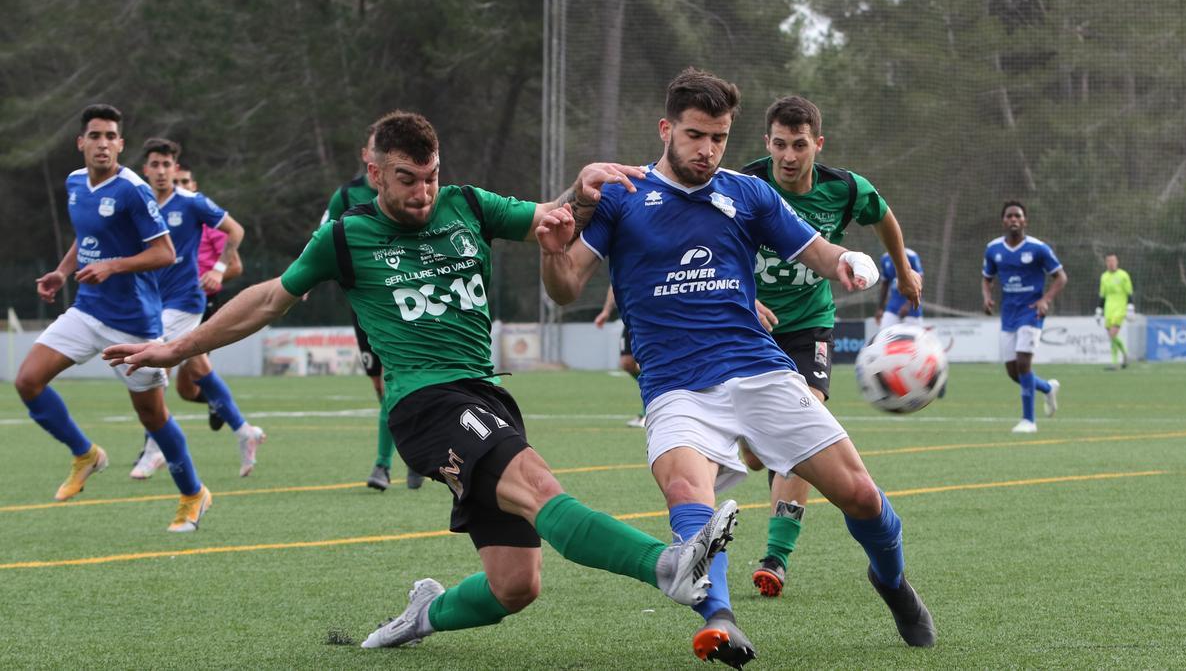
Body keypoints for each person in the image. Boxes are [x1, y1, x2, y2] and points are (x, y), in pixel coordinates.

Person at [103, 110, 737, 654]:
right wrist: (176, 348)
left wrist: (579, 189)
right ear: (374, 172)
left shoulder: (468, 204)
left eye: (430, 177)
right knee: (540, 485)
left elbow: (548, 216)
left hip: (485, 396)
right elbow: (269, 299)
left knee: (516, 585)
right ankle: (667, 565)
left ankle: (420, 617)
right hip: (423, 403)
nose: (422, 192)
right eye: (406, 179)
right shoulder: (346, 235)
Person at [538, 69, 937, 666]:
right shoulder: (622, 195)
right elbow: (565, 287)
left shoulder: (747, 193)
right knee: (685, 492)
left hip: (759, 369)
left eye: (720, 137)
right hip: (675, 386)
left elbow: (818, 251)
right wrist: (552, 250)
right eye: (696, 135)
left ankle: (893, 582)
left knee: (860, 495)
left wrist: (850, 260)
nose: (708, 150)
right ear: (666, 129)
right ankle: (720, 617)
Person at [739, 95, 924, 599]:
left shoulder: (843, 189)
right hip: (751, 325)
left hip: (808, 325)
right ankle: (750, 443)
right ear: (767, 143)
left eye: (800, 145)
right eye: (780, 144)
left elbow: (884, 217)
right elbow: (716, 246)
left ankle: (776, 557)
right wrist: (744, 298)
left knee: (804, 421)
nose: (789, 156)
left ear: (818, 144)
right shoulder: (744, 186)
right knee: (757, 456)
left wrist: (903, 273)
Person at [13, 104, 210, 532]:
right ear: (81, 142)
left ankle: (193, 494)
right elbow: (86, 238)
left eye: (111, 137)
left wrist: (113, 265)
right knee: (27, 381)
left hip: (134, 324)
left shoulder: (132, 190)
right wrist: (62, 272)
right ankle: (86, 454)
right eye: (95, 136)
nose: (103, 144)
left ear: (120, 144)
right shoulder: (74, 183)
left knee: (152, 417)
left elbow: (165, 253)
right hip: (87, 310)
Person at [129, 139, 265, 479]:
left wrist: (219, 269)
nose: (161, 171)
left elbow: (236, 230)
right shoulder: (138, 202)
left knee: (151, 361)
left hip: (185, 301)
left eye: (167, 165)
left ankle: (154, 446)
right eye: (155, 165)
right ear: (146, 169)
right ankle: (244, 431)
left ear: (175, 169)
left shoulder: (191, 203)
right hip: (152, 301)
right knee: (198, 369)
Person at [319, 124, 422, 492]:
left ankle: (383, 465)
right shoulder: (346, 195)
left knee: (397, 384)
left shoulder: (413, 193)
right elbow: (323, 240)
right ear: (367, 155)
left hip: (401, 303)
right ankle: (414, 456)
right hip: (363, 307)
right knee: (384, 390)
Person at [173, 162, 247, 431]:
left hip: (202, 304)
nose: (179, 187)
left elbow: (236, 267)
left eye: (185, 183)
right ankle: (218, 403)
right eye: (176, 183)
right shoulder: (165, 222)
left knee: (160, 373)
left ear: (194, 188)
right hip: (170, 301)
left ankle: (153, 448)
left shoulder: (211, 226)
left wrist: (209, 277)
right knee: (184, 390)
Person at [982, 200, 1067, 434]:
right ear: (1003, 221)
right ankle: (1047, 388)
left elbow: (1060, 277)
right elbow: (987, 278)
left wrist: (1045, 299)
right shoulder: (993, 249)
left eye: (1018, 216)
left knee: (1023, 364)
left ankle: (1029, 420)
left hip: (1031, 312)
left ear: (1025, 221)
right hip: (1009, 314)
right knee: (1012, 371)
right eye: (1009, 216)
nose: (1013, 220)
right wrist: (987, 297)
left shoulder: (1038, 248)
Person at [593, 285, 644, 427]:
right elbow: (614, 284)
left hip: (650, 316)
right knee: (627, 363)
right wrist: (606, 311)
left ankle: (648, 412)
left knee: (649, 364)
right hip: (630, 316)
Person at [1096, 253, 1134, 370]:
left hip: (1120, 309)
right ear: (1106, 263)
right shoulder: (1104, 277)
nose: (1111, 263)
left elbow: (1129, 293)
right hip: (1109, 309)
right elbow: (1102, 295)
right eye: (1109, 261)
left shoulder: (1123, 275)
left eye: (1113, 261)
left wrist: (1130, 308)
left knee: (1112, 334)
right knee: (1112, 336)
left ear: (1117, 262)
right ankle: (1125, 355)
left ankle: (1114, 363)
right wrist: (1099, 310)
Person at [877, 248, 925, 330]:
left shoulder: (911, 256)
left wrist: (908, 306)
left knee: (914, 340)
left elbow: (920, 282)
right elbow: (885, 284)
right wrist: (880, 308)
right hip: (892, 308)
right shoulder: (885, 258)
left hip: (912, 310)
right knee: (884, 334)